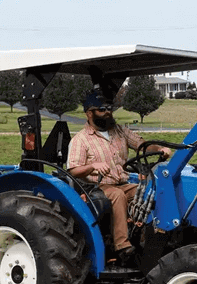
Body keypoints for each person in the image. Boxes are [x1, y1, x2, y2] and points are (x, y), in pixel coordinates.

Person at [67, 89, 171, 263]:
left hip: (122, 182)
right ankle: (121, 246)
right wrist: (93, 166)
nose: (108, 113)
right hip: (96, 187)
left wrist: (159, 149)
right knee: (117, 195)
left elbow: (142, 146)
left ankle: (153, 236)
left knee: (150, 191)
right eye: (102, 109)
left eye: (109, 108)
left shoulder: (120, 131)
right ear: (89, 113)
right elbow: (73, 170)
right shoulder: (81, 139)